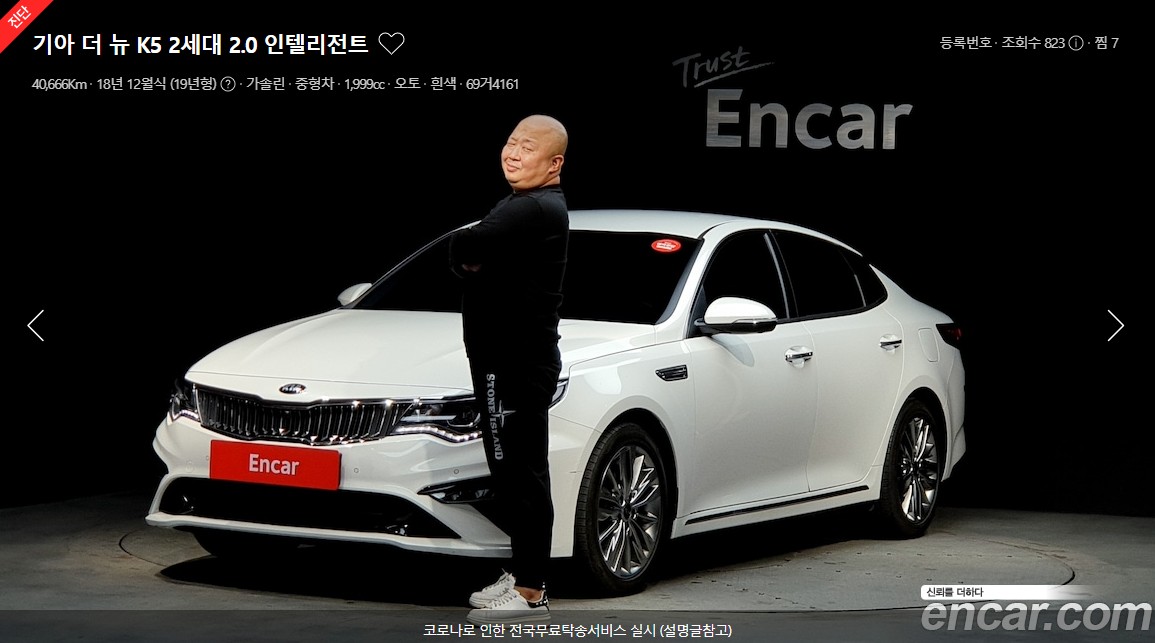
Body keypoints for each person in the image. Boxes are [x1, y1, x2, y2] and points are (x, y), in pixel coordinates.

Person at [448, 114, 569, 623]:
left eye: (528, 147)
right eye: (511, 142)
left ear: (554, 163)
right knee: (510, 470)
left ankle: (530, 591)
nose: (514, 153)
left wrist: (474, 254)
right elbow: (470, 253)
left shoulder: (535, 207)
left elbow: (463, 246)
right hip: (504, 360)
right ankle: (523, 573)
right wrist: (474, 254)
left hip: (515, 363)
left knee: (521, 473)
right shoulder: (521, 203)